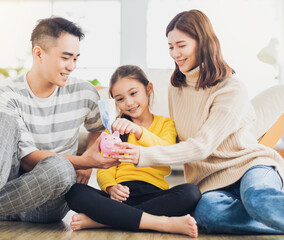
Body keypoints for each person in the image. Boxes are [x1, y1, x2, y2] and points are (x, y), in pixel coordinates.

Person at [111, 9, 284, 234]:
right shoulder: (177, 87)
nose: (175, 53)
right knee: (208, 216)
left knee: (257, 198)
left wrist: (143, 155)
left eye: (181, 45)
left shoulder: (231, 88)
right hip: (209, 181)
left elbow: (202, 145)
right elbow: (176, 137)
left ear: (202, 43)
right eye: (170, 47)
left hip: (249, 166)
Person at [0, 16, 119, 223]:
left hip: (48, 200)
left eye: (76, 58)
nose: (72, 66)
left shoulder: (84, 93)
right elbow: (27, 160)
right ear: (39, 54)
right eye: (66, 58)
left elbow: (97, 128)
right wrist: (84, 161)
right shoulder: (8, 94)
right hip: (11, 184)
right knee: (3, 122)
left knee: (61, 167)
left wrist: (89, 161)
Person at [65, 65, 200, 238]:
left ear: (148, 89)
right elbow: (104, 169)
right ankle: (161, 223)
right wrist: (111, 187)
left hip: (154, 195)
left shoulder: (165, 124)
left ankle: (103, 221)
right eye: (120, 99)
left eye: (133, 93)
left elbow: (166, 150)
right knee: (75, 192)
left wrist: (139, 132)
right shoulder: (114, 131)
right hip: (119, 197)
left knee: (191, 193)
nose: (128, 103)